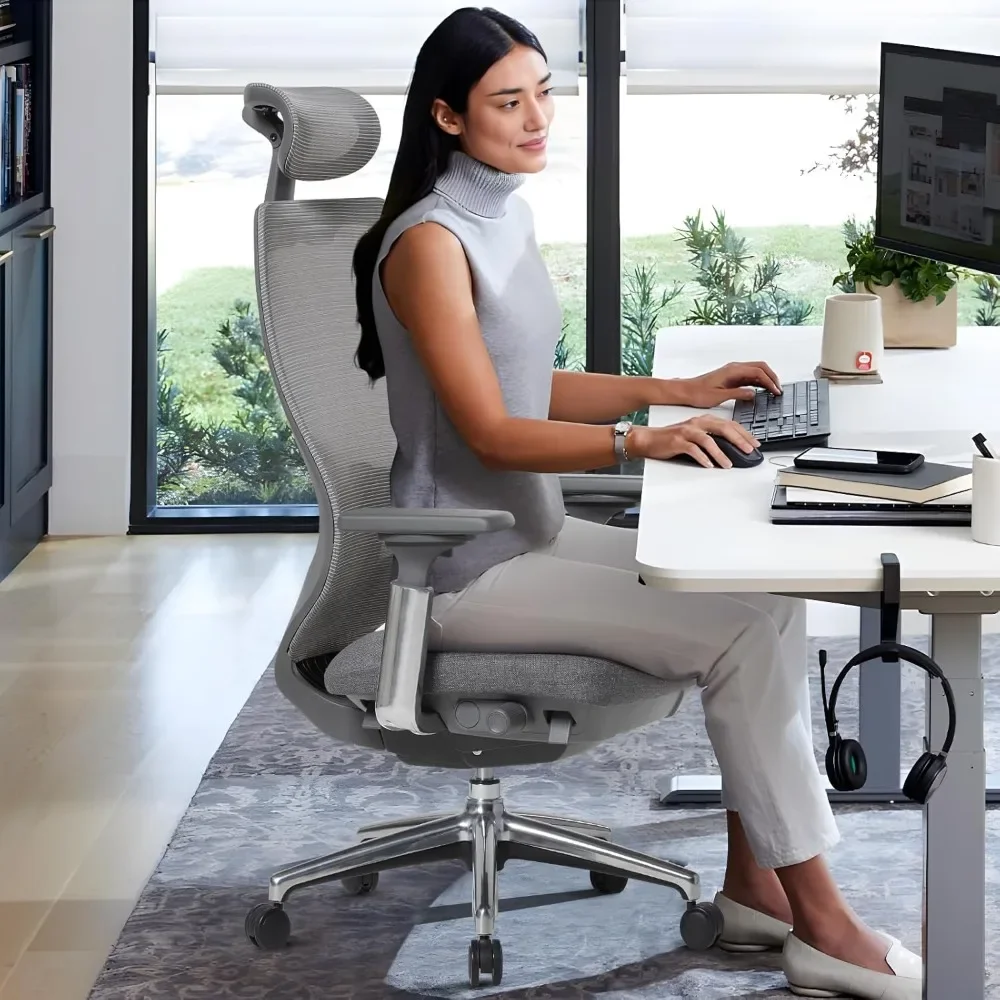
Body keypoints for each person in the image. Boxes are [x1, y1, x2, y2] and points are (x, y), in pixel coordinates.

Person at [351, 8, 920, 998]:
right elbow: (489, 430)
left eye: (541, 93)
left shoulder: (500, 212)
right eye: (506, 101)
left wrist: (676, 395)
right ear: (444, 115)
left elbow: (526, 382)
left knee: (765, 593)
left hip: (529, 533)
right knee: (738, 629)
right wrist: (639, 440)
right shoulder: (429, 244)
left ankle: (755, 887)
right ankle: (824, 922)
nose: (536, 119)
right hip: (460, 568)